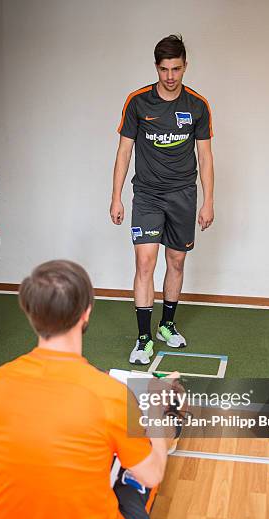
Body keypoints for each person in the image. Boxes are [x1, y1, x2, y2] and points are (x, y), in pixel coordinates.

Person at [0, 260, 176, 519]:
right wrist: (157, 414)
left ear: (29, 312)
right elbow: (152, 474)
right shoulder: (109, 394)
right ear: (86, 313)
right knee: (143, 475)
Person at [110, 34, 215, 365]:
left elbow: (206, 156)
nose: (170, 76)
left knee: (177, 262)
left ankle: (167, 325)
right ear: (156, 67)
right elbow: (124, 150)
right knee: (145, 263)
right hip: (147, 195)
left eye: (177, 69)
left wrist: (208, 200)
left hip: (184, 194)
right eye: (165, 69)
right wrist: (116, 197)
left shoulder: (198, 105)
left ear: (186, 67)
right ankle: (143, 338)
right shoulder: (138, 102)